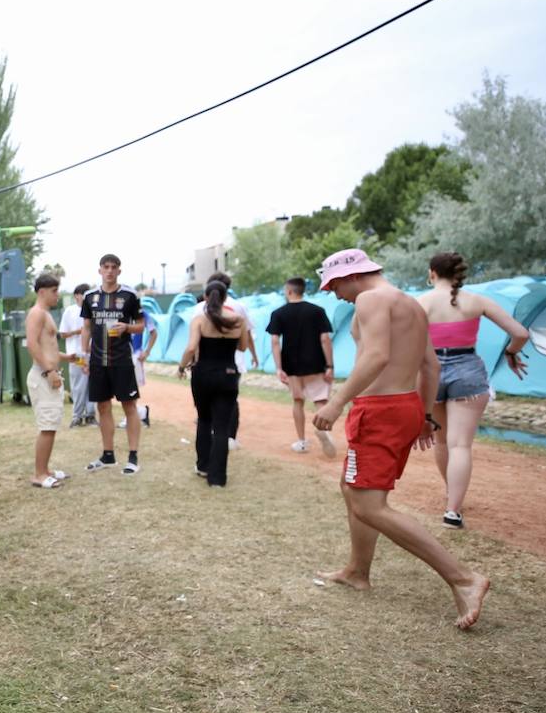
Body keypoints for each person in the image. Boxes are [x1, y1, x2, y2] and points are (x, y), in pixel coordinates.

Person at [311, 249, 490, 630]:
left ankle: (464, 578)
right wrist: (425, 415)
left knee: (369, 505)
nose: (335, 294)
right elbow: (431, 365)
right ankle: (358, 572)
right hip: (405, 405)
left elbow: (375, 356)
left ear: (353, 276)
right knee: (353, 488)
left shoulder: (370, 299)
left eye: (335, 286)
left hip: (379, 409)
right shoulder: (409, 303)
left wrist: (337, 402)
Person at [419, 251, 530, 528]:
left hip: (431, 372)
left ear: (432, 272)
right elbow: (521, 333)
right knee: (460, 445)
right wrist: (511, 353)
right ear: (459, 274)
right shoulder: (477, 301)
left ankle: (451, 494)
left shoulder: (420, 303)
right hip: (468, 370)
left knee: (442, 441)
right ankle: (453, 511)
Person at [177, 280, 249, 486]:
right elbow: (242, 347)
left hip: (203, 375)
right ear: (226, 298)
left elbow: (191, 348)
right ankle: (217, 478)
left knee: (204, 420)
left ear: (206, 298)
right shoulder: (238, 320)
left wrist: (182, 367)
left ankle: (203, 466)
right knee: (222, 427)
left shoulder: (199, 319)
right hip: (228, 374)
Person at [80, 253, 145, 475]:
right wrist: (84, 356)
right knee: (103, 407)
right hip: (98, 361)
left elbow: (141, 325)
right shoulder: (90, 297)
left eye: (113, 267)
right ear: (99, 270)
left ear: (119, 270)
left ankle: (133, 456)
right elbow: (86, 328)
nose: (109, 270)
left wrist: (127, 328)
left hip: (122, 361)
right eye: (105, 267)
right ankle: (108, 455)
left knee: (129, 406)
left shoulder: (129, 295)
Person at [267, 277, 337, 457]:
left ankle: (302, 441)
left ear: (289, 291)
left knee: (298, 401)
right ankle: (325, 432)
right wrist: (330, 365)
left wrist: (278, 368)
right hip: (316, 363)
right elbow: (325, 339)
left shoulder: (278, 313)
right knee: (320, 400)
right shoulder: (317, 311)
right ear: (302, 290)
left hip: (291, 365)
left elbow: (275, 342)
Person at [191, 272, 258, 449]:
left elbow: (193, 342)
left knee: (204, 414)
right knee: (229, 403)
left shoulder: (200, 309)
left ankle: (204, 458)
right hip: (231, 364)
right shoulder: (239, 308)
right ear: (227, 291)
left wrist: (190, 362)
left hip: (204, 366)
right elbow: (247, 336)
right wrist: (255, 356)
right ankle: (230, 437)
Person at [26, 273, 76, 488]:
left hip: (49, 373)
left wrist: (66, 358)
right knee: (47, 426)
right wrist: (49, 372)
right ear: (42, 292)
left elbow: (48, 347)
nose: (58, 295)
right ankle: (38, 474)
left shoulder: (45, 314)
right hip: (43, 376)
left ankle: (45, 470)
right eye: (55, 291)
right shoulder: (37, 313)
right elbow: (32, 344)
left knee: (51, 425)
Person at [60, 284, 94, 427]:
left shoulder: (93, 310)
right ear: (76, 295)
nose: (86, 297)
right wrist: (77, 332)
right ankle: (77, 416)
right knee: (78, 386)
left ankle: (91, 415)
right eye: (83, 294)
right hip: (76, 354)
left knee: (92, 385)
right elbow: (62, 334)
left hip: (92, 353)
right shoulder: (70, 311)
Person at [119, 295, 156, 429]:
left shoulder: (143, 314)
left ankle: (132, 417)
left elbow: (153, 333)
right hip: (123, 355)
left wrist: (146, 351)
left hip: (135, 355)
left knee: (131, 388)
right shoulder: (120, 314)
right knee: (125, 387)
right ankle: (141, 413)